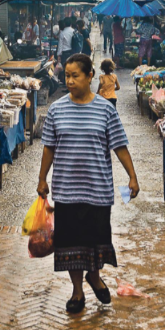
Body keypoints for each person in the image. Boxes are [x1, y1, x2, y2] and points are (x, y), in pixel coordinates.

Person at [37, 53, 139, 313]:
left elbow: (119, 145)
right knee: (71, 243)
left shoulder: (105, 109)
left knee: (95, 240)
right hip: (67, 190)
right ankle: (77, 291)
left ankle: (94, 276)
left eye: (75, 76)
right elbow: (48, 147)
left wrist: (132, 176)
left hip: (98, 189)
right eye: (66, 76)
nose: (69, 81)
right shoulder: (57, 109)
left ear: (90, 75)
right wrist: (41, 179)